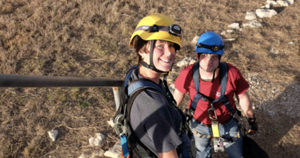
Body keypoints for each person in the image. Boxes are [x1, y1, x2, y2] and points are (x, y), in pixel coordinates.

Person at [173, 31, 258, 158]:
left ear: (220, 58)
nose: (209, 60)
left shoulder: (232, 73)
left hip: (228, 123)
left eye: (213, 56)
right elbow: (176, 99)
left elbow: (242, 97)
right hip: (200, 125)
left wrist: (251, 118)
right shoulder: (188, 74)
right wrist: (170, 120)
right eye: (204, 55)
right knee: (201, 154)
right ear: (197, 56)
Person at [125, 13, 192, 158]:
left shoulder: (135, 75)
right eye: (160, 45)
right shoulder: (152, 104)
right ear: (141, 50)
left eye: (171, 46)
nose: (169, 53)